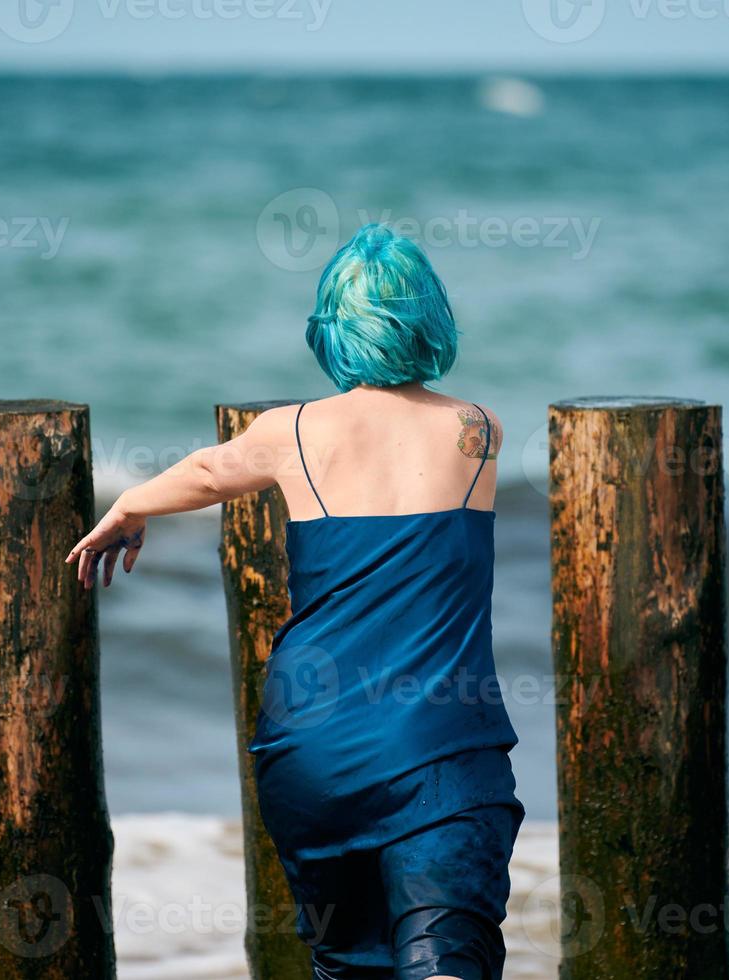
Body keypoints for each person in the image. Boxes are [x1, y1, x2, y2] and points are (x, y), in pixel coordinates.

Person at [68, 224, 524, 980]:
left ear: (331, 330)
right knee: (444, 959)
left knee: (348, 966)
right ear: (429, 319)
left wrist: (131, 506)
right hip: (434, 746)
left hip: (312, 757)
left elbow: (213, 470)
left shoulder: (291, 433)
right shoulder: (476, 429)